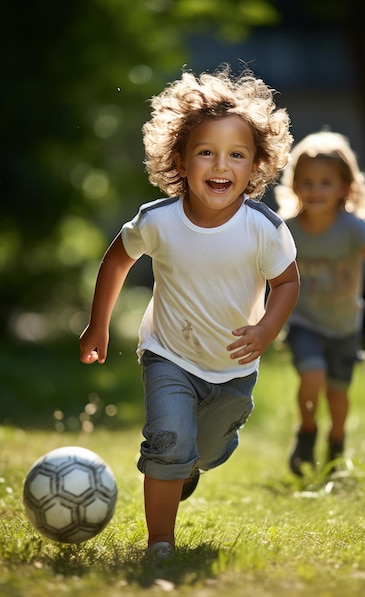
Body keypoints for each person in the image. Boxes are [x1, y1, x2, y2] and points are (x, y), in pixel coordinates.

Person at [79, 65, 300, 559]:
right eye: (206, 152)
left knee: (201, 446)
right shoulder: (158, 221)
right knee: (167, 440)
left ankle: (195, 462)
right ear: (180, 159)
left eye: (236, 155)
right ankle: (160, 542)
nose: (220, 166)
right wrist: (98, 324)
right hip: (168, 355)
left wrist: (266, 329)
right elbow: (117, 259)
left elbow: (287, 282)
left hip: (234, 367)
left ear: (256, 165)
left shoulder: (263, 228)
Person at [274, 130, 365, 476]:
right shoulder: (287, 230)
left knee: (338, 394)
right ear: (294, 184)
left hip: (343, 325)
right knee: (312, 376)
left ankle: (337, 444)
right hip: (303, 322)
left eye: (325, 183)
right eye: (307, 182)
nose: (315, 190)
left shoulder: (353, 229)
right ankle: (307, 431)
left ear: (345, 187)